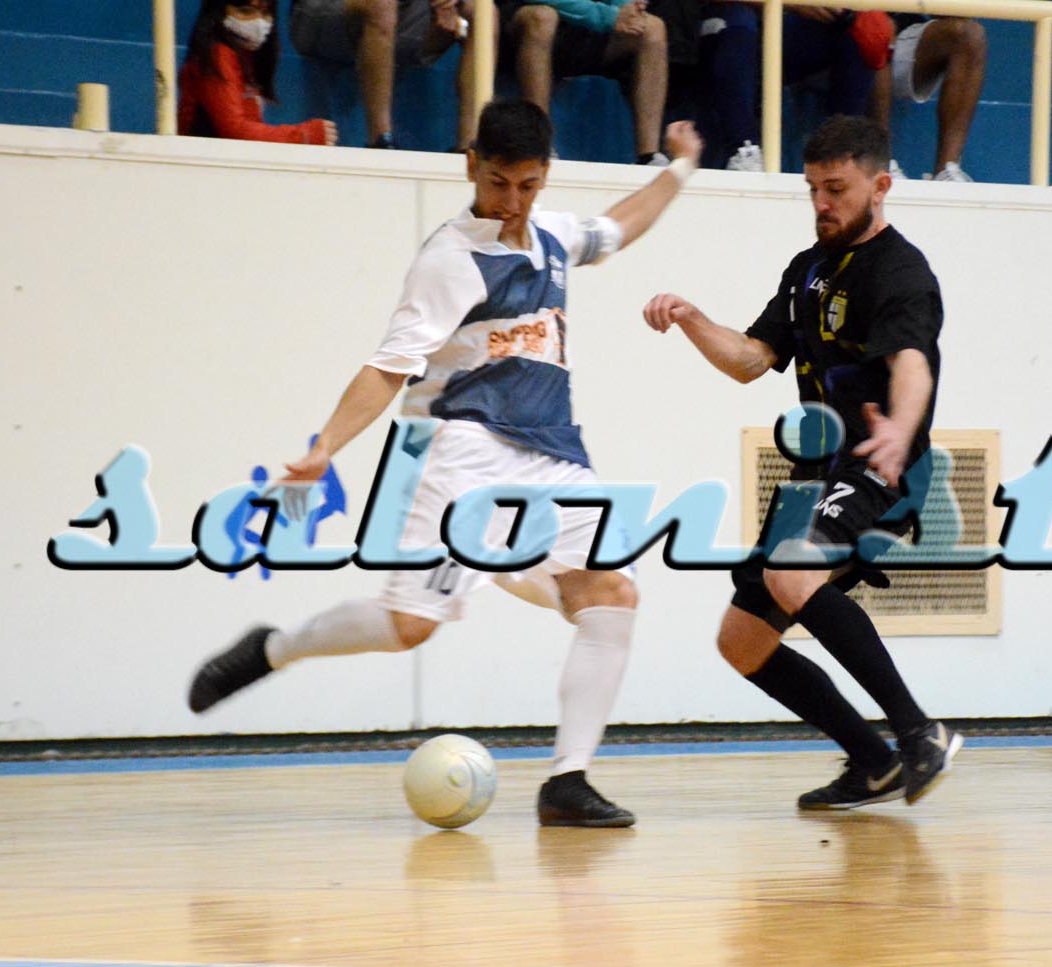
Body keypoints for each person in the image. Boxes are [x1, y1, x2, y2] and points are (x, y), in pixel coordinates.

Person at [187, 99, 704, 829]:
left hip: (553, 452)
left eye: (527, 185)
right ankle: (274, 648)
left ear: (545, 176)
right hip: (461, 449)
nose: (512, 201)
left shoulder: (554, 237)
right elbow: (386, 368)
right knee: (408, 626)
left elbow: (618, 226)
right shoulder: (449, 260)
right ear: (471, 166)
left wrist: (680, 167)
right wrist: (325, 446)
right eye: (498, 183)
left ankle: (568, 780)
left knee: (613, 592)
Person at [641, 115, 961, 809]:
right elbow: (751, 360)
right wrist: (693, 318)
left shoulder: (902, 272)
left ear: (880, 186)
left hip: (881, 466)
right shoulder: (807, 269)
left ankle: (919, 732)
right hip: (816, 477)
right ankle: (873, 762)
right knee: (743, 642)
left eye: (836, 189)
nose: (822, 203)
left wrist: (901, 430)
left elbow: (912, 363)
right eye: (813, 188)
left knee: (791, 569)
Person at [698, 5, 880, 172]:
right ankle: (744, 151)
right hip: (721, 31)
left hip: (781, 31)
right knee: (740, 16)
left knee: (865, 27)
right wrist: (794, 3)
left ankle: (844, 152)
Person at [288, 0, 480, 150]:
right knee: (382, 3)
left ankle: (469, 149)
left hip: (398, 15)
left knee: (482, 15)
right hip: (318, 14)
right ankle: (381, 140)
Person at [501, 0, 670, 164]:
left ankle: (648, 156)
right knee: (542, 17)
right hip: (526, 21)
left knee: (653, 27)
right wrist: (609, 16)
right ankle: (538, 146)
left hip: (590, 27)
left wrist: (627, 10)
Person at [179, 0, 338, 144]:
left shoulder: (247, 56)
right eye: (246, 11)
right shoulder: (217, 54)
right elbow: (234, 131)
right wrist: (303, 135)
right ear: (218, 12)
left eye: (265, 12)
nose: (259, 21)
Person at [866, 15, 986, 182]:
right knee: (877, 25)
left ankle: (946, 171)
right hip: (850, 33)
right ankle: (881, 162)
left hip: (903, 37)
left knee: (970, 33)